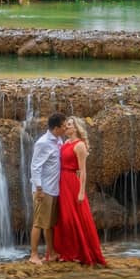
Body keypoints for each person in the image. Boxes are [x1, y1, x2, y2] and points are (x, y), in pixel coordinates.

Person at [54, 117, 106, 266]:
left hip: (72, 182)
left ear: (76, 128)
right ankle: (66, 251)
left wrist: (81, 191)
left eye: (69, 125)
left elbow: (83, 171)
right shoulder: (65, 143)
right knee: (64, 218)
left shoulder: (80, 145)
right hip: (61, 181)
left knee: (74, 218)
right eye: (66, 125)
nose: (66, 127)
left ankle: (80, 251)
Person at [29, 112, 67, 265]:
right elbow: (35, 167)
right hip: (43, 190)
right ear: (56, 128)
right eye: (64, 126)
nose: (65, 128)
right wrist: (39, 189)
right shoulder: (43, 142)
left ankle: (50, 253)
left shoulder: (58, 140)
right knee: (38, 223)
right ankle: (33, 255)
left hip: (54, 189)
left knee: (49, 224)